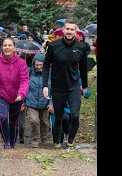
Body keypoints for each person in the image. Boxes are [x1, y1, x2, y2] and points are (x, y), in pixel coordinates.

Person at [42, 19, 88, 149]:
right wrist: (45, 85)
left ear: (75, 31)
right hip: (58, 88)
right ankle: (57, 142)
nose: (69, 31)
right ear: (63, 30)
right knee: (59, 117)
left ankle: (70, 141)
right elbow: (46, 66)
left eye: (72, 29)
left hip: (73, 87)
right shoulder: (53, 46)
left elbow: (83, 68)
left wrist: (84, 86)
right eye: (67, 29)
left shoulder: (81, 47)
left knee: (75, 115)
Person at [0, 38, 30, 149]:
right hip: (1, 95)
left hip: (17, 97)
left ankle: (12, 143)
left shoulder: (21, 63)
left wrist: (21, 94)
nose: (7, 47)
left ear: (14, 48)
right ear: (2, 47)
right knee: (2, 117)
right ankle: (7, 142)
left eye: (10, 45)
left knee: (13, 122)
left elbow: (25, 80)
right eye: (5, 45)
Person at [24, 53, 53, 148]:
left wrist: (51, 102)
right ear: (33, 64)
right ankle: (35, 139)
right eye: (37, 65)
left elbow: (54, 89)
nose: (38, 67)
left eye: (41, 65)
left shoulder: (50, 74)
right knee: (34, 120)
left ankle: (44, 139)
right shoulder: (29, 73)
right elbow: (24, 86)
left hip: (45, 102)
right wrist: (24, 100)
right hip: (32, 101)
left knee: (44, 122)